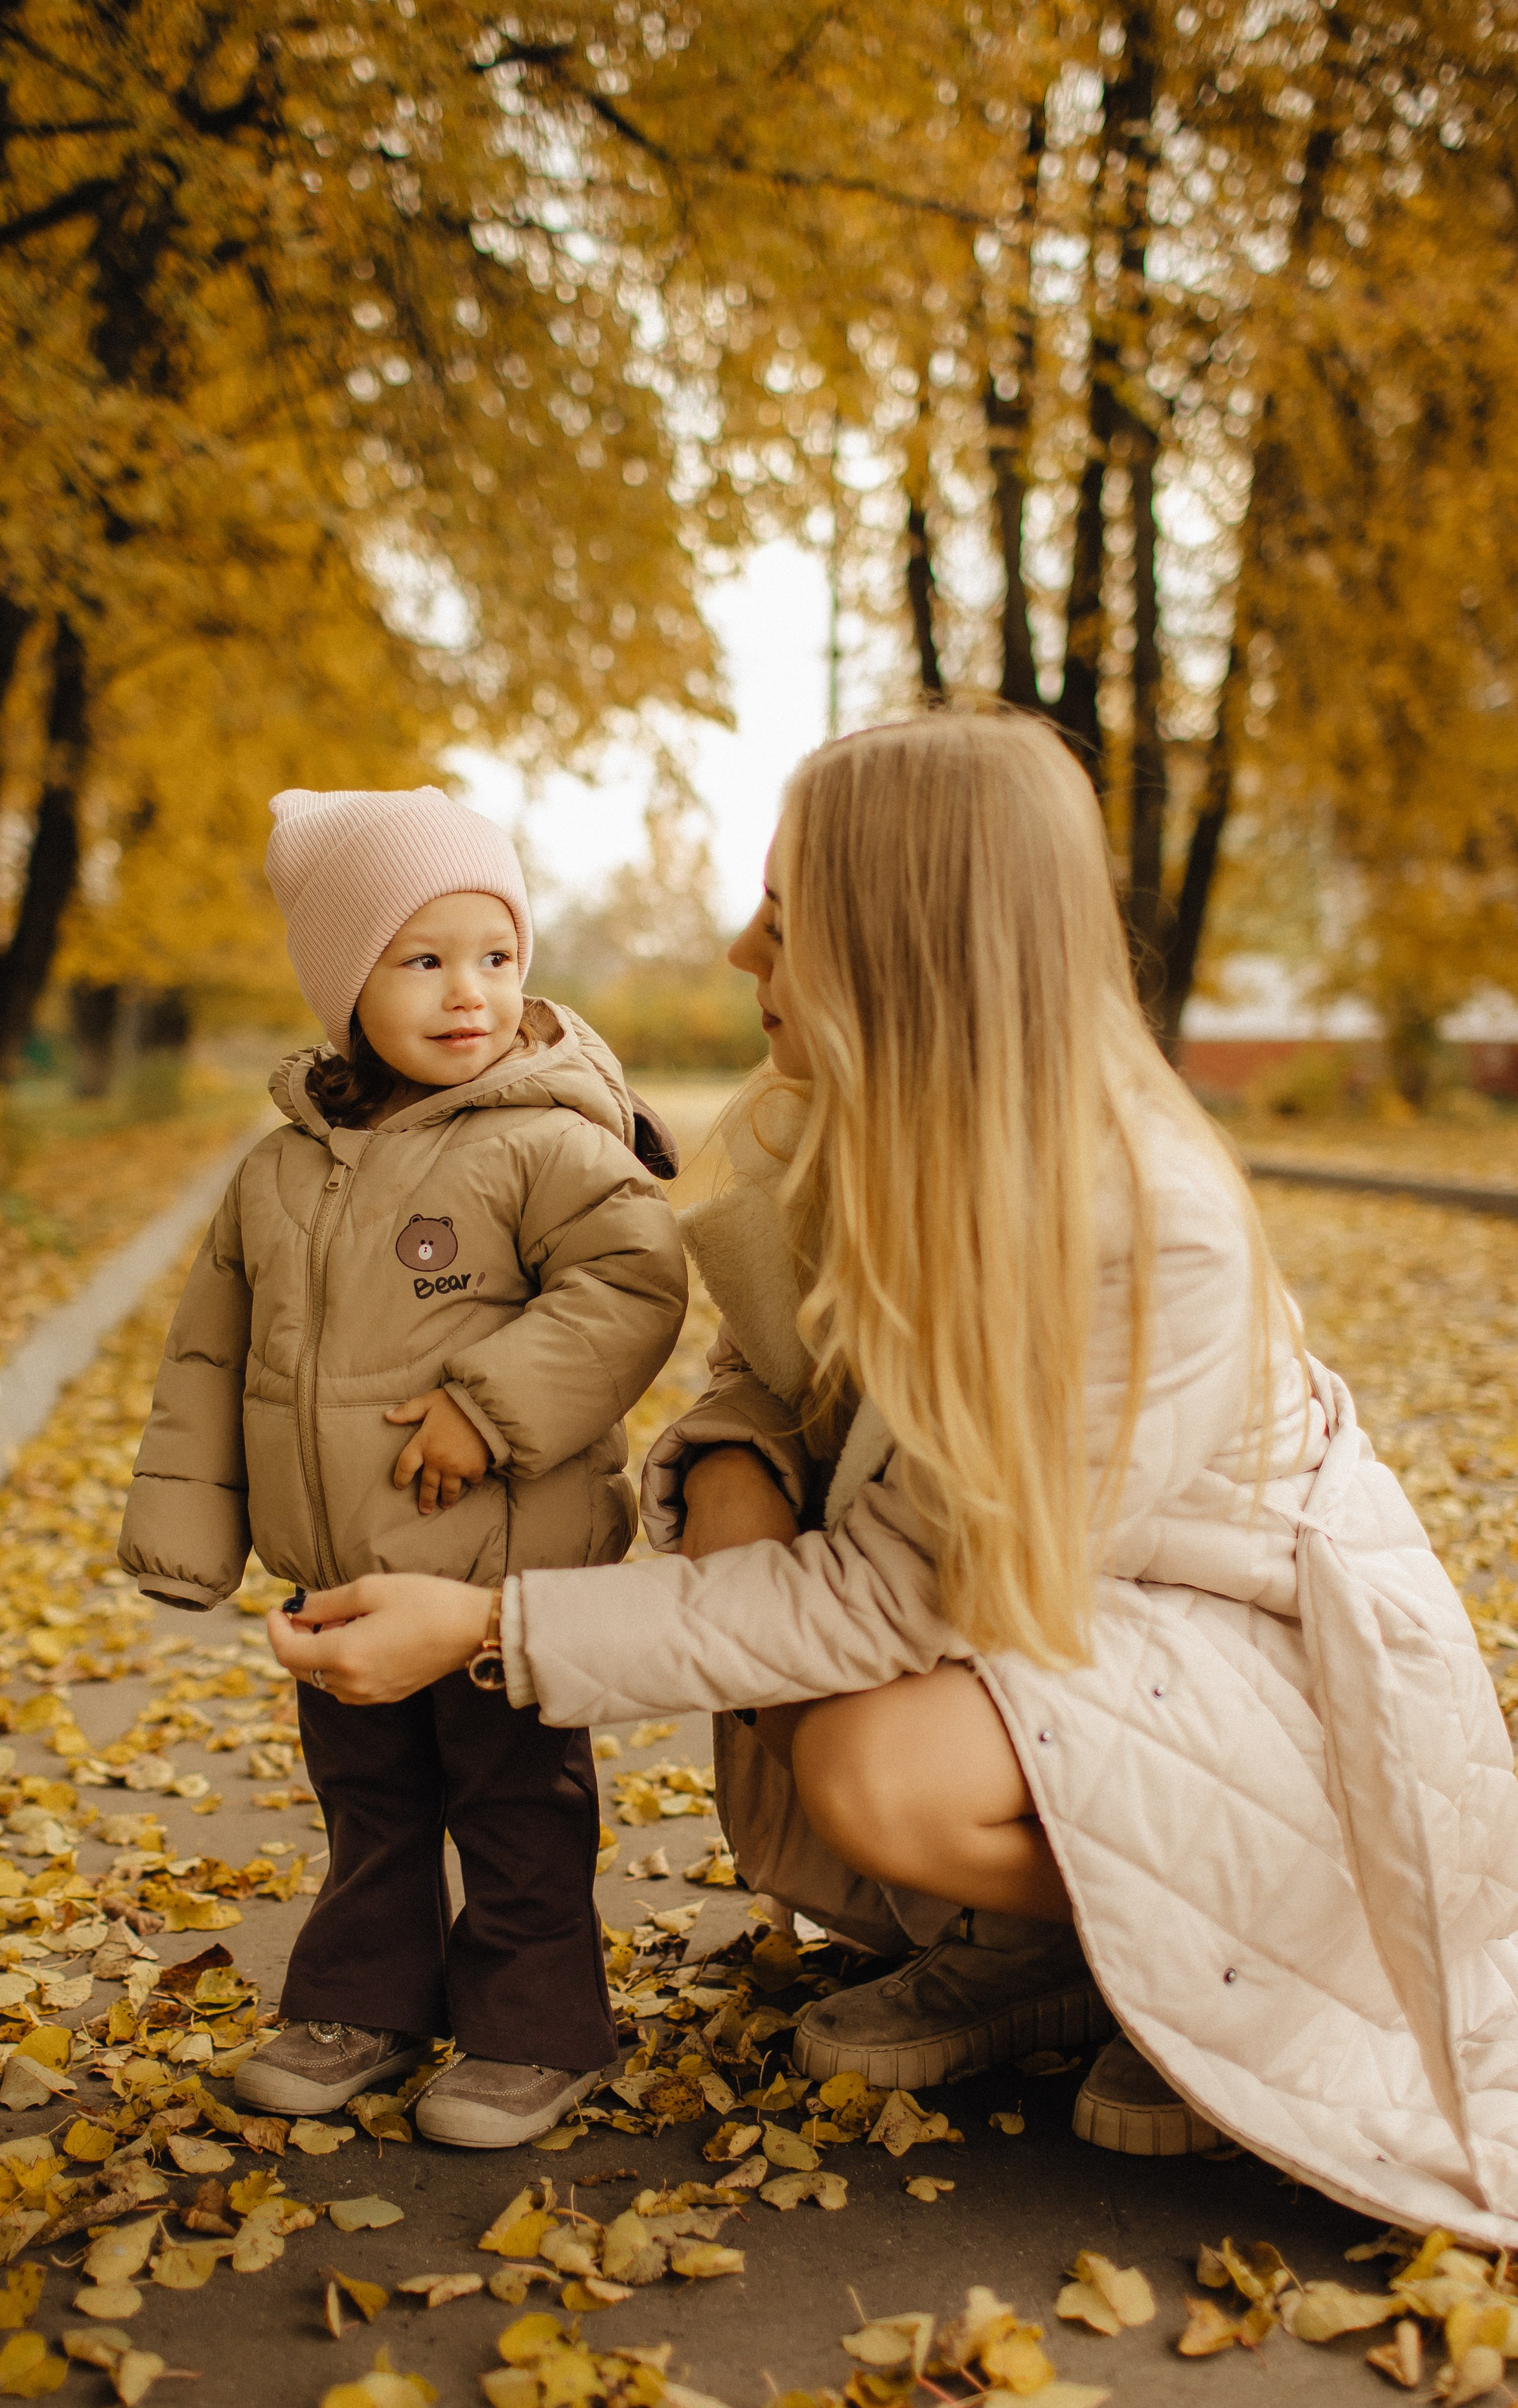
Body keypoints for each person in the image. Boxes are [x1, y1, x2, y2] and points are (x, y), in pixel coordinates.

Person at [265, 715, 1518, 2244]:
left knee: (869, 1758)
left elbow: (892, 1598)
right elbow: (763, 1382)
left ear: (902, 953)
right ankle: (1047, 1953)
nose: (737, 950)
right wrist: (731, 1469)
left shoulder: (1143, 1223)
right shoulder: (843, 1121)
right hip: (1050, 1617)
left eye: (783, 924)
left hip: (1252, 1641)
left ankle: (1212, 1947)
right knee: (792, 1641)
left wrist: (483, 1630)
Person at [119, 786, 687, 2147]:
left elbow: (633, 1282)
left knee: (511, 1809)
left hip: (499, 1576)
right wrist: (187, 1536)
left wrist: (486, 1410)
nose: (467, 994)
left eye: (493, 957)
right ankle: (362, 2007)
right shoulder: (279, 1174)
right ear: (342, 985)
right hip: (339, 1574)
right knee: (367, 1804)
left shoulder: (543, 1139)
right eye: (420, 960)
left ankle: (533, 2031)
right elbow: (210, 1356)